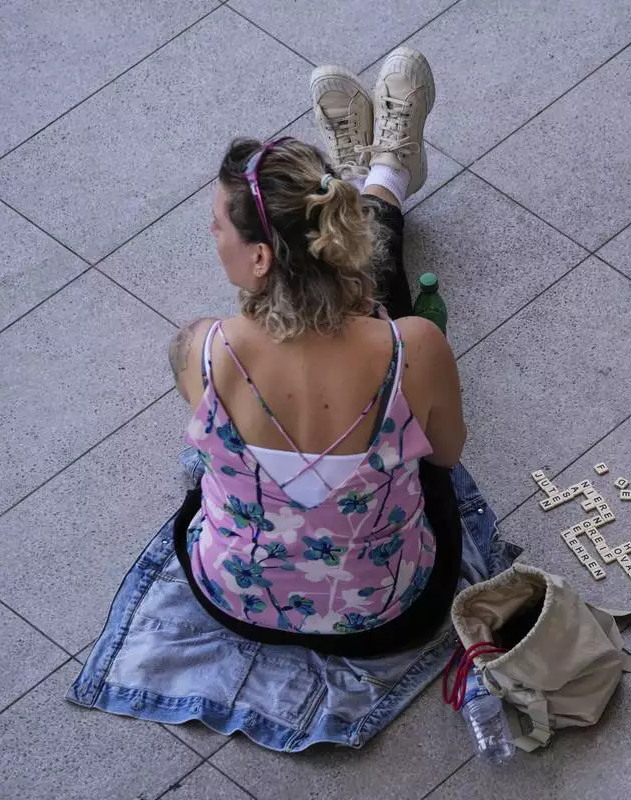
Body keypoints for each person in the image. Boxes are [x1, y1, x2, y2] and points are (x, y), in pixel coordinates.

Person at [69, 48, 521, 750]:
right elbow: (451, 454)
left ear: (258, 259)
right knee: (417, 436)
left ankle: (382, 176)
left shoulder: (200, 350)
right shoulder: (414, 348)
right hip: (391, 615)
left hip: (234, 604)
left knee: (210, 471)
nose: (210, 235)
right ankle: (383, 179)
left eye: (217, 225)